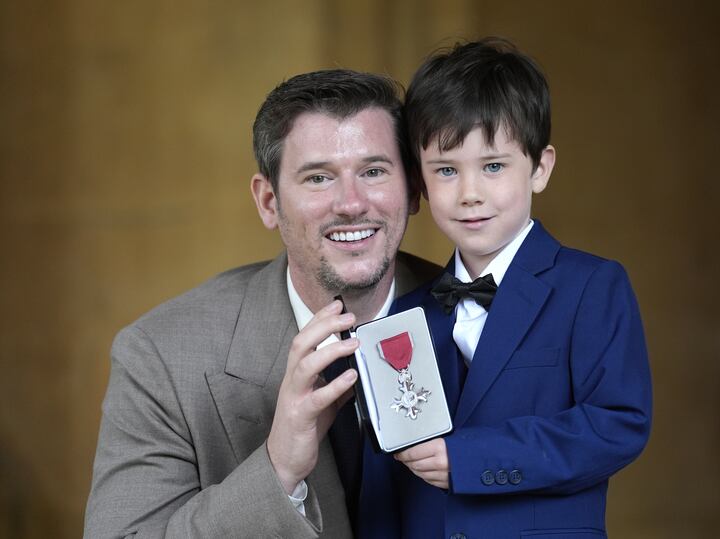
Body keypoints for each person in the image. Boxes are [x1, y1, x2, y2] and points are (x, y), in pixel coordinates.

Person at [84, 69, 440, 538]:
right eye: (318, 178)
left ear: (413, 189)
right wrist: (277, 470)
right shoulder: (160, 357)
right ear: (269, 201)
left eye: (373, 171)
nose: (352, 203)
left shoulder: (486, 317)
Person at [359, 38, 652, 538]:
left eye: (493, 166)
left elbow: (617, 424)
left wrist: (469, 458)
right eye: (447, 170)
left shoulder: (591, 286)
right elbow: (382, 487)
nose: (470, 193)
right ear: (421, 183)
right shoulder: (400, 316)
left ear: (540, 168)